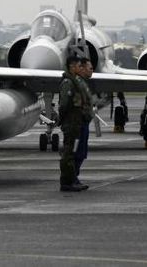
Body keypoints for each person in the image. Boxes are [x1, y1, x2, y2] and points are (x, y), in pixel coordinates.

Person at [58, 56, 93, 192]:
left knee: (76, 152)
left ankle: (72, 179)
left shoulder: (77, 81)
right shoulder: (68, 82)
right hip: (72, 124)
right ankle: (67, 182)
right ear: (72, 67)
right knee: (69, 153)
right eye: (78, 66)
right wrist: (63, 120)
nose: (81, 68)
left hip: (78, 122)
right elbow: (64, 105)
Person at [74, 58, 95, 188]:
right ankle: (71, 179)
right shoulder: (76, 84)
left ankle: (74, 178)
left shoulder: (83, 83)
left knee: (81, 153)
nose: (92, 70)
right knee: (75, 153)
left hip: (83, 122)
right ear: (81, 68)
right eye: (89, 68)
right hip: (77, 124)